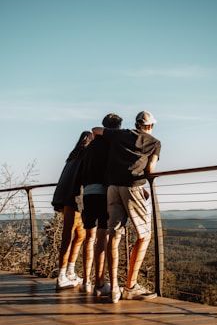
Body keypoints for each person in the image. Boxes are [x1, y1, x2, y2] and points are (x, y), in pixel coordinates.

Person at [92, 110, 161, 303]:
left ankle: (114, 288)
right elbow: (150, 170)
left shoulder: (120, 134)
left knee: (114, 234)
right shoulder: (154, 143)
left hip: (112, 187)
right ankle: (130, 286)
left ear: (137, 123)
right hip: (132, 187)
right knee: (145, 235)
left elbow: (96, 130)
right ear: (150, 126)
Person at [80, 114, 123, 295]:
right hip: (104, 193)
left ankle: (85, 281)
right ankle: (99, 283)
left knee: (89, 237)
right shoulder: (111, 145)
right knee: (103, 237)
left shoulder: (90, 147)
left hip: (87, 193)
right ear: (117, 128)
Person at [52, 131, 93, 290]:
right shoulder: (85, 157)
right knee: (69, 234)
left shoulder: (72, 157)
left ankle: (69, 271)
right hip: (74, 197)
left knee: (80, 234)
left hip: (64, 195)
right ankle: (62, 275)